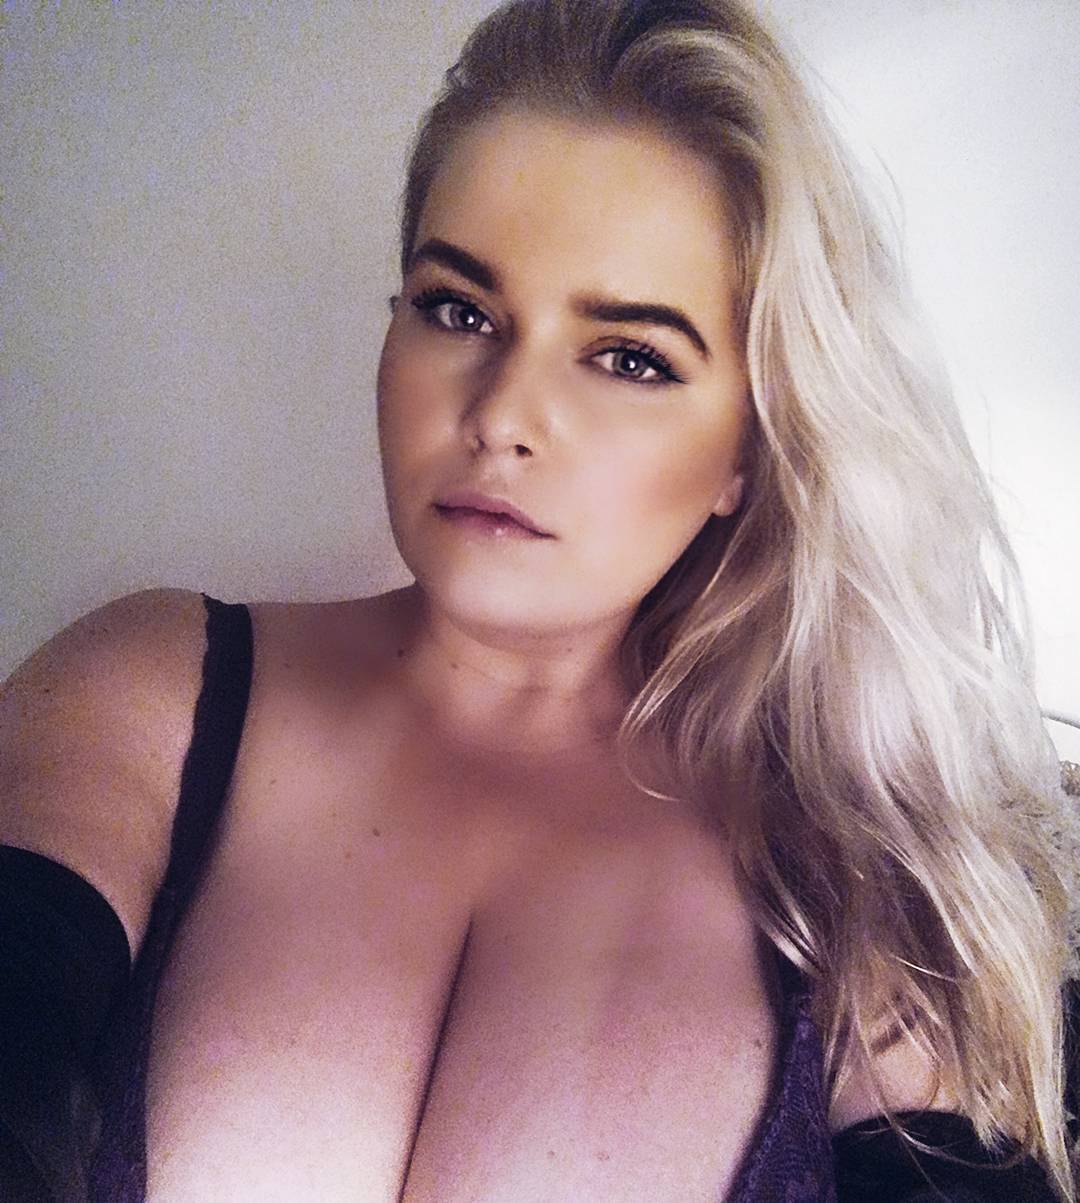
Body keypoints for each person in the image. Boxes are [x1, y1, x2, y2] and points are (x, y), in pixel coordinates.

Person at [2, 0, 1078, 1199]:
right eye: (457, 309)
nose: (503, 415)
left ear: (747, 449)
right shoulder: (150, 692)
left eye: (630, 358)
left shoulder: (850, 882)